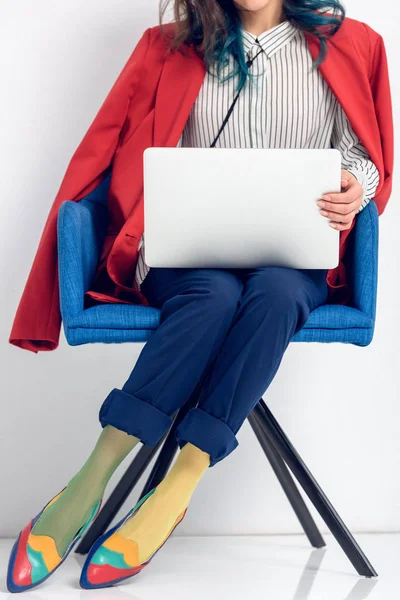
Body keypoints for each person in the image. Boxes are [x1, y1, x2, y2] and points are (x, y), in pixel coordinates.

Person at [7, 0, 383, 592]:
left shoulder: (351, 43)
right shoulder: (167, 45)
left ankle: (183, 475)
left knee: (277, 295)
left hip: (291, 255)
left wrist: (356, 185)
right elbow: (112, 147)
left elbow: (367, 151)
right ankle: (94, 472)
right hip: (184, 253)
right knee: (211, 297)